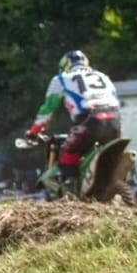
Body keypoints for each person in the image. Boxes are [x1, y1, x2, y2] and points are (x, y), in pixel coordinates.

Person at [25, 49, 121, 196]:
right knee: (112, 156)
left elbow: (47, 109)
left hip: (89, 119)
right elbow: (115, 99)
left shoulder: (61, 79)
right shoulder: (103, 76)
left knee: (67, 152)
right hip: (115, 119)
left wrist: (33, 132)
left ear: (65, 65)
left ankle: (71, 192)